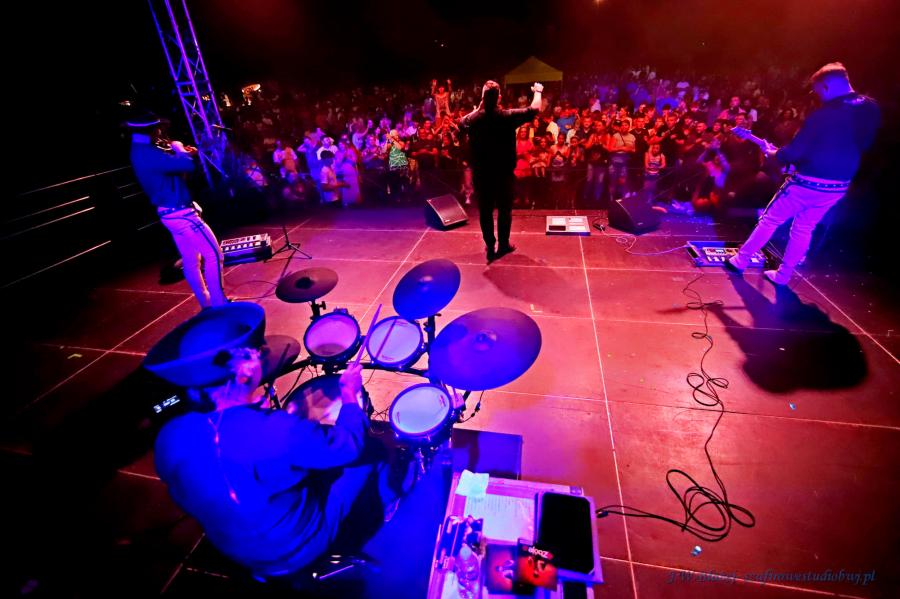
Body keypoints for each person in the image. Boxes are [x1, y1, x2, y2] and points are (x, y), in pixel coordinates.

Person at [154, 347, 390, 582]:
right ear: (243, 376)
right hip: (294, 548)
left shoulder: (168, 435)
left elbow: (205, 475)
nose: (263, 357)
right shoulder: (277, 428)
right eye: (257, 356)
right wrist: (349, 393)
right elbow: (349, 446)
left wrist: (251, 415)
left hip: (234, 550)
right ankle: (384, 510)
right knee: (370, 451)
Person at [726, 63, 880, 285]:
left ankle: (741, 260)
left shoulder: (823, 115)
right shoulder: (870, 108)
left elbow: (794, 152)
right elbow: (864, 144)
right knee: (804, 227)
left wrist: (775, 155)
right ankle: (783, 275)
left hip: (808, 182)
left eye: (818, 91)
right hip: (839, 185)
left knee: (770, 219)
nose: (818, 97)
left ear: (826, 87)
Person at [127, 112, 227, 308]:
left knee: (191, 260)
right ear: (150, 129)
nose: (160, 133)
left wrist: (181, 154)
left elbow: (174, 173)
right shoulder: (147, 152)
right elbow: (187, 166)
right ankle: (220, 304)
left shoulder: (139, 150)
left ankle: (206, 303)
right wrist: (179, 148)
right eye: (157, 129)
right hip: (181, 213)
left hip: (170, 213)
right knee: (214, 255)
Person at [458, 80, 543, 262]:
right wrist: (538, 90)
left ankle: (490, 246)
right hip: (504, 174)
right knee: (504, 211)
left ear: (482, 98)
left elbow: (460, 123)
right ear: (499, 98)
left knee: (485, 212)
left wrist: (478, 108)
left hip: (482, 175)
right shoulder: (507, 116)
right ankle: (503, 245)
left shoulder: (473, 119)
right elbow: (535, 108)